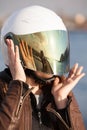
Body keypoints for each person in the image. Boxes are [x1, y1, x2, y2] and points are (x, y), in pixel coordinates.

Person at [0, 5, 86, 130]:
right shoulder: (3, 89)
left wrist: (62, 104)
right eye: (42, 52)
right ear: (12, 48)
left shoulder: (58, 92)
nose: (49, 59)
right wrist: (18, 85)